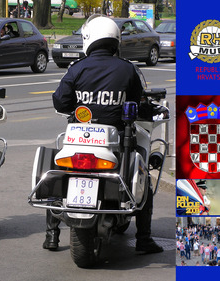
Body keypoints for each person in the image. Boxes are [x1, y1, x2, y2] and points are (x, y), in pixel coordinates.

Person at [45, 16, 163, 254]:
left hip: (80, 138)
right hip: (116, 139)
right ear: (115, 40)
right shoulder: (128, 69)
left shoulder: (76, 68)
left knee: (56, 168)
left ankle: (51, 235)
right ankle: (144, 239)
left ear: (89, 39)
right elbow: (138, 104)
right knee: (143, 176)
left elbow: (60, 101)